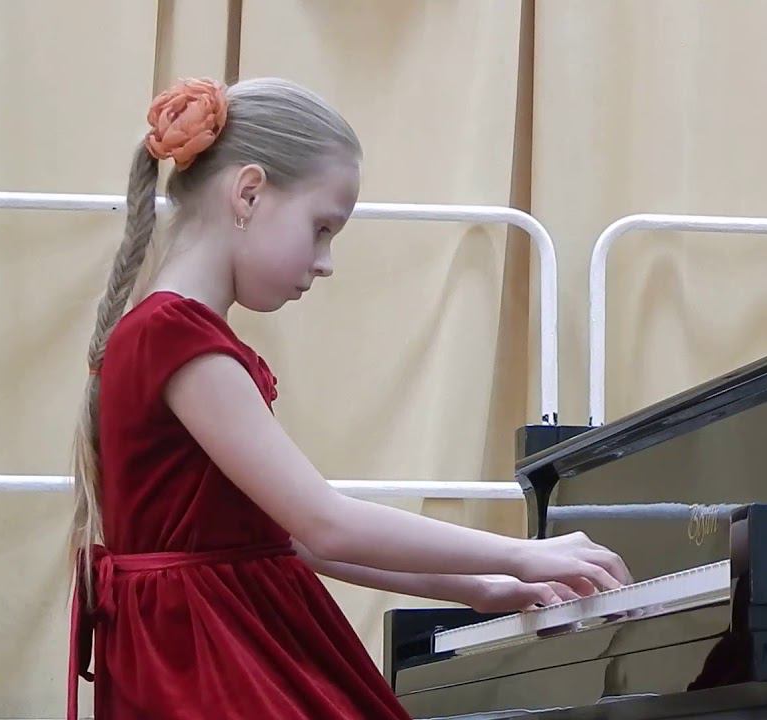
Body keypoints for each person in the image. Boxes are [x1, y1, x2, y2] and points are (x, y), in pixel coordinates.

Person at [66, 76, 630, 719]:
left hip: (214, 641)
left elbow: (291, 540)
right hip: (211, 658)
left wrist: (481, 586)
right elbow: (324, 524)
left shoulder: (169, 335)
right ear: (248, 193)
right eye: (321, 228)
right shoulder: (175, 336)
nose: (325, 261)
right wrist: (523, 553)